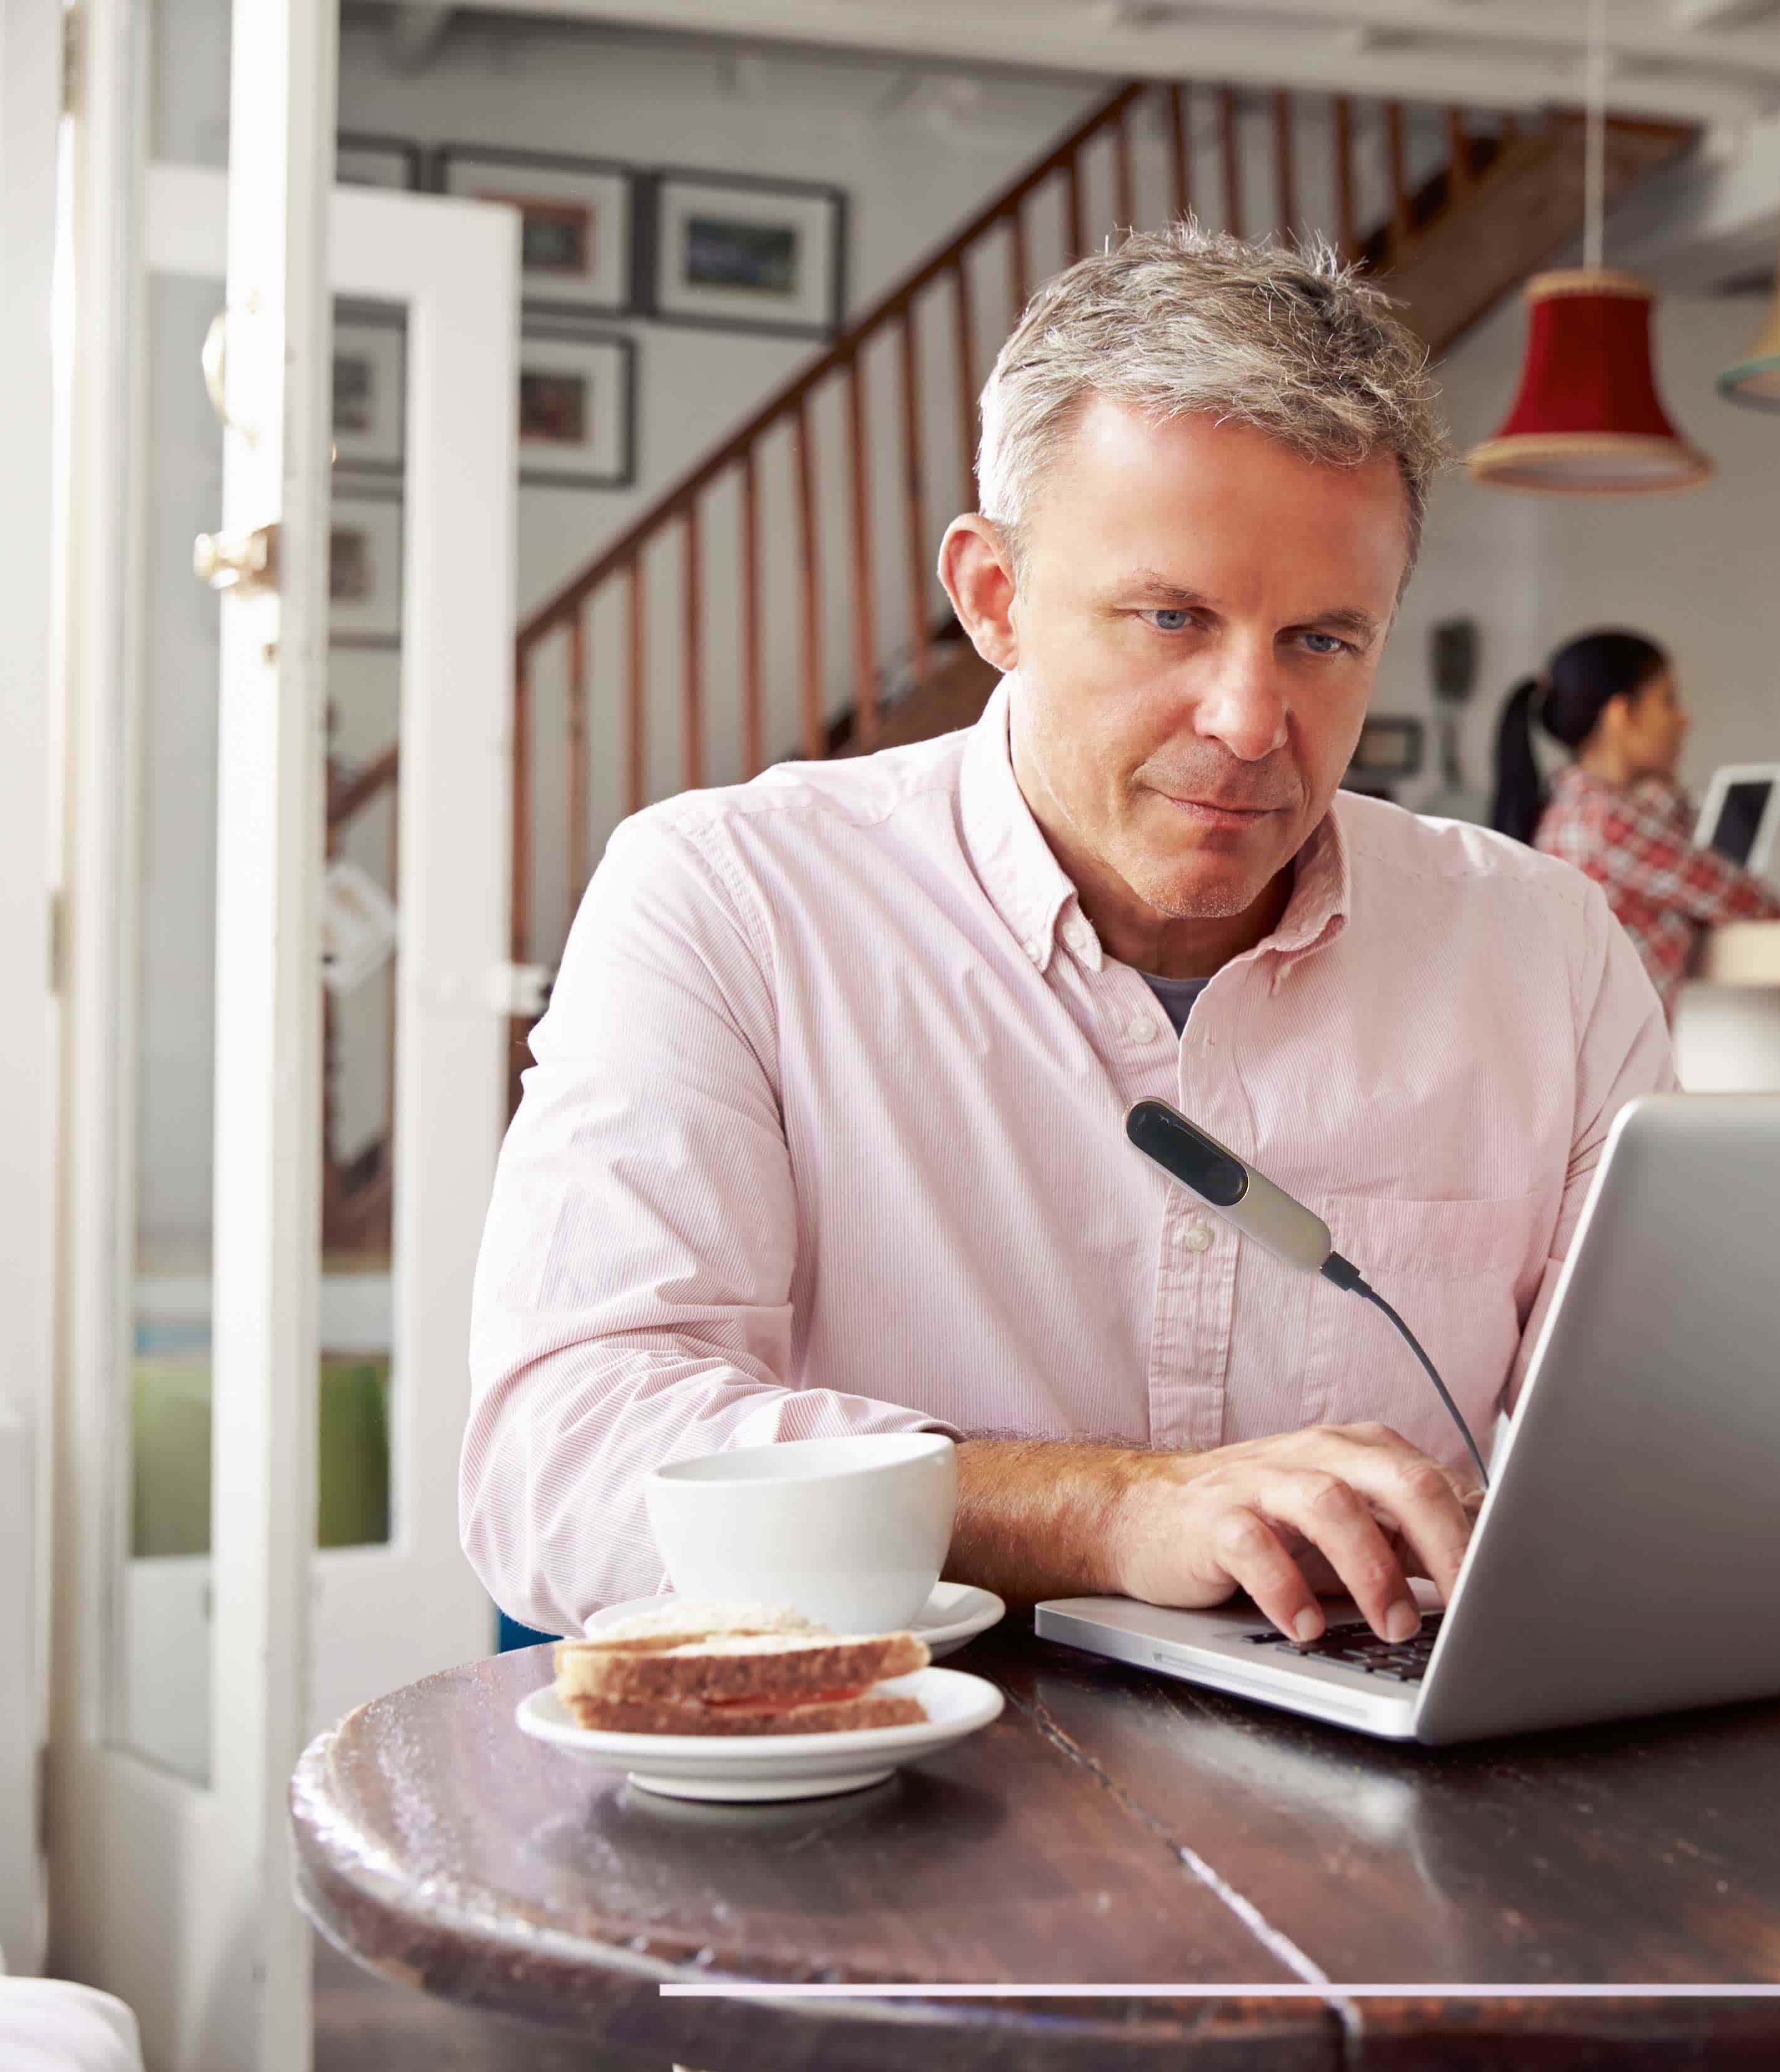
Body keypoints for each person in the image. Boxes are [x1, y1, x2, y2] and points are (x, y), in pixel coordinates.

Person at [461, 228, 1672, 1651]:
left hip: (1392, 1808)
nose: (1248, 721)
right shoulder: (731, 898)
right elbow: (561, 1472)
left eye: (1323, 641)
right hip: (891, 1798)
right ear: (994, 598)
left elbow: (1668, 1456)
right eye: (1171, 617)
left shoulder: (1547, 951)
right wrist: (1104, 1510)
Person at [1492, 630, 1780, 1013]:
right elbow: (1758, 906)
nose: (1683, 720)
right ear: (1620, 715)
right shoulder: (1612, 822)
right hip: (1611, 1070)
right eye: (1668, 701)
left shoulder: (1569, 806)